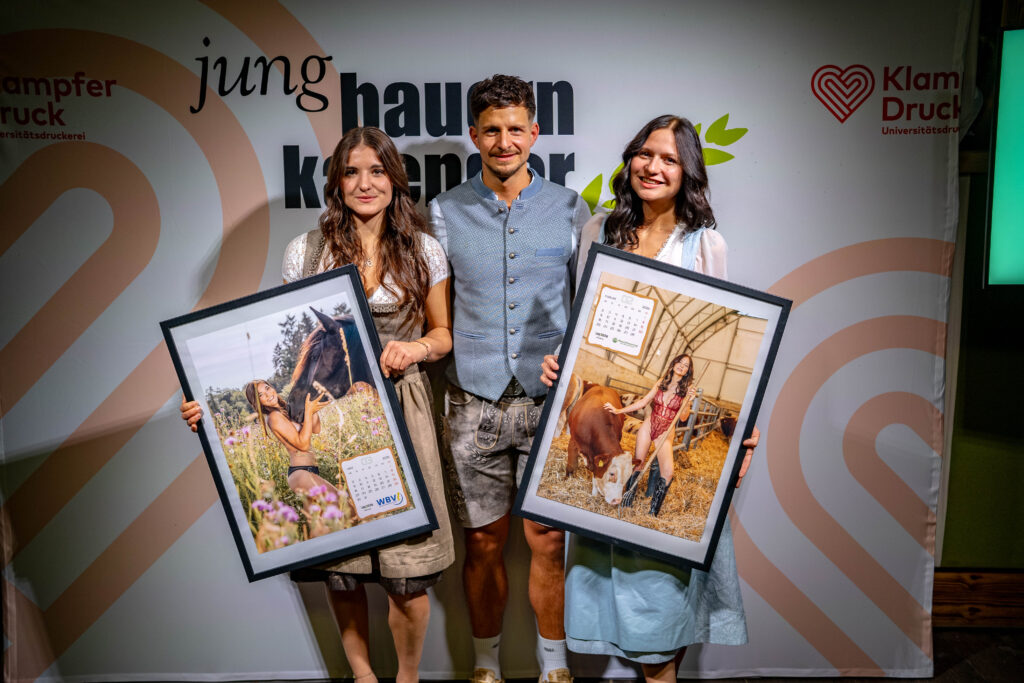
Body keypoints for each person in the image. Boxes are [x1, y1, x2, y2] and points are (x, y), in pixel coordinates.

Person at [182, 126, 454, 683]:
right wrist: (210, 407)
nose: (365, 184)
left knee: (406, 573)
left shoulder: (424, 248)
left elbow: (443, 332)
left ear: (394, 179)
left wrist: (417, 348)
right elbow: (277, 338)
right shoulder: (305, 251)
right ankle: (363, 677)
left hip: (401, 409)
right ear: (336, 182)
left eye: (376, 171)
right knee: (343, 565)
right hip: (331, 414)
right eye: (351, 172)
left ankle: (408, 679)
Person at [539, 115, 757, 682]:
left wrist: (744, 425)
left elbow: (720, 324)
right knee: (614, 554)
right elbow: (583, 321)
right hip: (634, 429)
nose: (653, 167)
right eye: (645, 153)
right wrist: (561, 362)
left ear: (688, 172)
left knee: (665, 585)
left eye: (669, 159)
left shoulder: (705, 243)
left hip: (665, 427)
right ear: (630, 158)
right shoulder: (598, 230)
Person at [429, 74, 589, 683]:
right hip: (473, 400)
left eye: (515, 129)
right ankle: (485, 666)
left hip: (551, 402)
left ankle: (556, 668)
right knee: (483, 544)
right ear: (474, 135)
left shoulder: (571, 209)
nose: (504, 142)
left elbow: (590, 306)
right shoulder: (443, 211)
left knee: (550, 540)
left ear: (535, 132)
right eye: (491, 130)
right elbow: (433, 307)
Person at [603, 353, 698, 516]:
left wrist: (689, 400)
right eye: (680, 362)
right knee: (638, 463)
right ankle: (627, 502)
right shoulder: (662, 382)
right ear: (674, 363)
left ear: (688, 371)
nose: (682, 366)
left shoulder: (685, 390)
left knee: (668, 472)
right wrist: (619, 410)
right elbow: (643, 402)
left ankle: (653, 513)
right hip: (649, 425)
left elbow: (683, 417)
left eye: (686, 365)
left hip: (666, 431)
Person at [243, 378, 339, 495]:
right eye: (261, 395)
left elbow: (316, 429)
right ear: (257, 401)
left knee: (331, 506)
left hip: (310, 470)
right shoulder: (274, 416)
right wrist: (308, 412)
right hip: (301, 473)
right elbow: (303, 445)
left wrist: (312, 408)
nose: (268, 394)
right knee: (343, 502)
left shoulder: (285, 410)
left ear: (272, 387)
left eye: (267, 388)